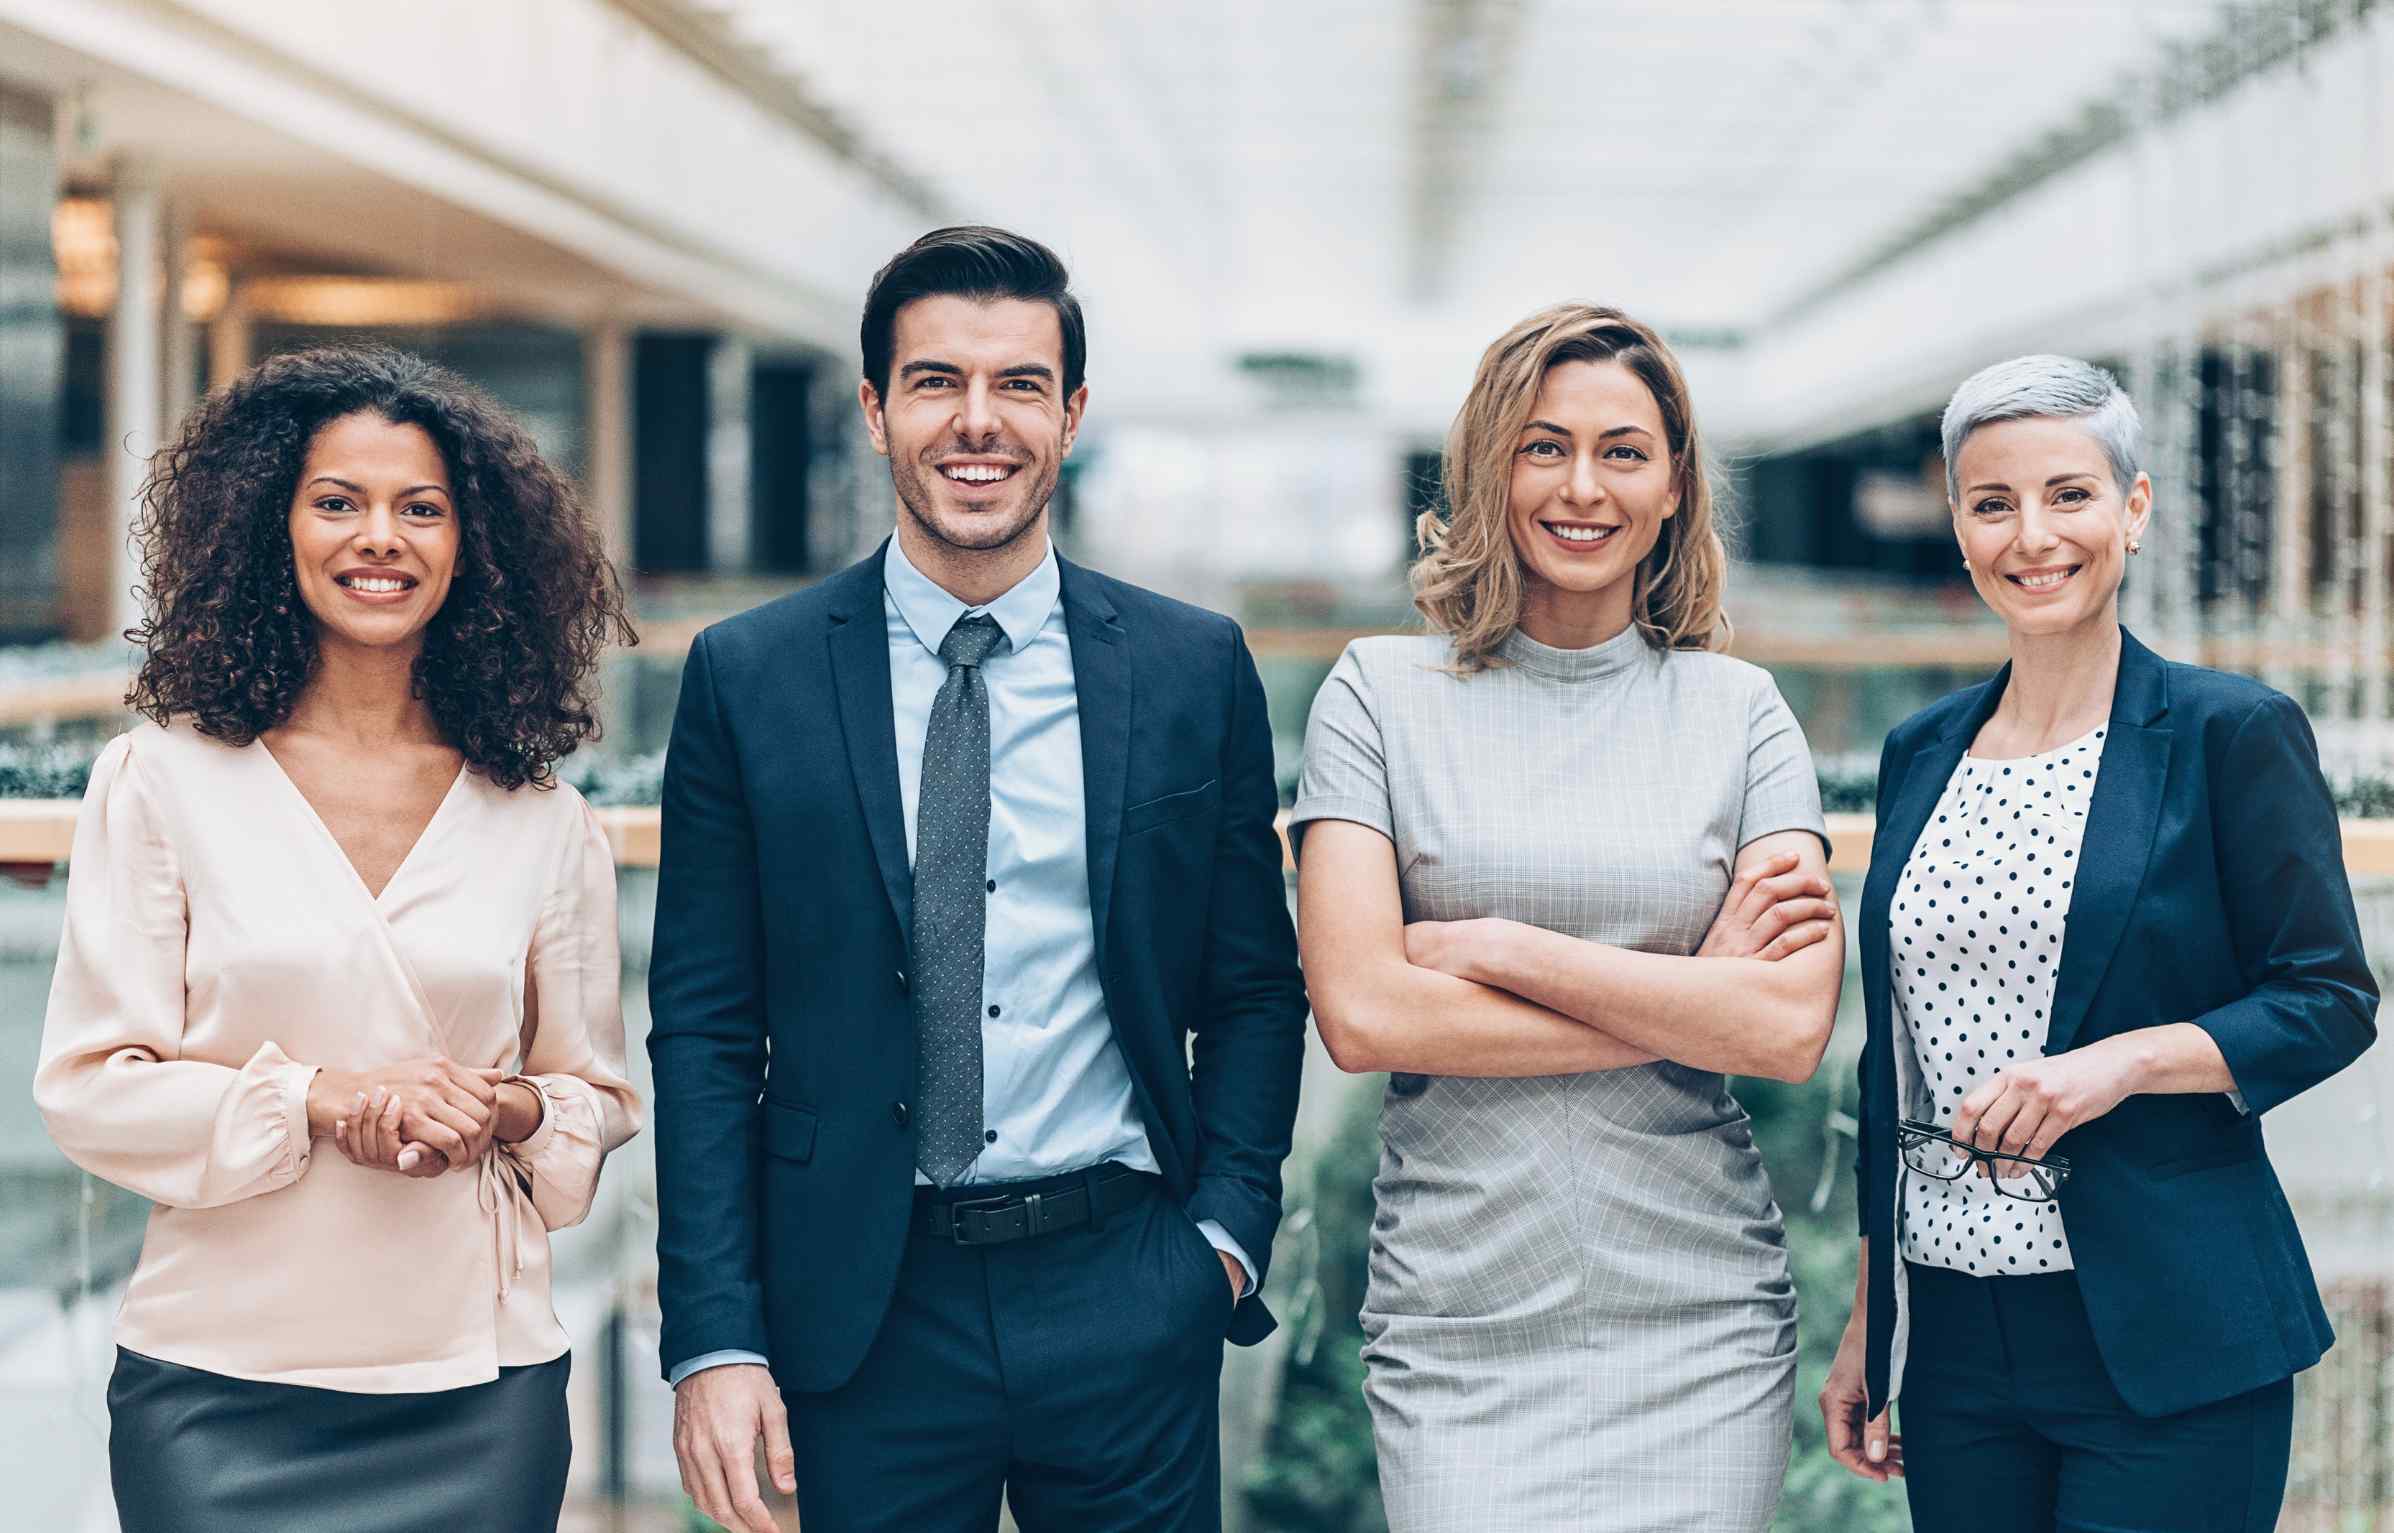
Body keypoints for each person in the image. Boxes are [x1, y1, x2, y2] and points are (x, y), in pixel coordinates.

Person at [649, 226, 1307, 1533]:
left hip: (1126, 1282)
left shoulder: (1190, 669)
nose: (977, 422)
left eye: (1018, 384)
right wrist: (714, 1334)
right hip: (858, 1303)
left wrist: (1222, 1243)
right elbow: (707, 1030)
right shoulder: (749, 675)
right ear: (874, 409)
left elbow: (1251, 987)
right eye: (936, 381)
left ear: (1070, 415)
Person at [34, 345, 644, 1533]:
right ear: (273, 527)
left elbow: (593, 1095)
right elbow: (91, 1087)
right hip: (217, 1382)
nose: (380, 538)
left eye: (421, 509)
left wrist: (497, 1108)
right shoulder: (159, 782)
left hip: (477, 1386)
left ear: (472, 546)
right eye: (337, 503)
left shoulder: (540, 815)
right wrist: (318, 1099)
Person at [1292, 303, 1845, 1532]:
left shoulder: (1744, 712)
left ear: (1674, 485)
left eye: (1623, 452)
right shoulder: (1376, 696)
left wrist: (1491, 950)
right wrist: (1689, 999)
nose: (1582, 487)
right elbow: (1366, 1016)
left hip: (1702, 1320)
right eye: (1544, 447)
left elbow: (1786, 1030)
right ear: (1490, 467)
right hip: (1459, 1321)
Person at [1817, 354, 2378, 1532]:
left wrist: (2118, 1065)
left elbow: (2326, 997)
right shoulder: (1920, 751)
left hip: (2170, 1333)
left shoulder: (2233, 731)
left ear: (2134, 508)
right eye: (1993, 503)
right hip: (1955, 1341)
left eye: (2069, 495)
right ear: (1961, 530)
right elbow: (1897, 1061)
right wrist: (1878, 1315)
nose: (2033, 536)